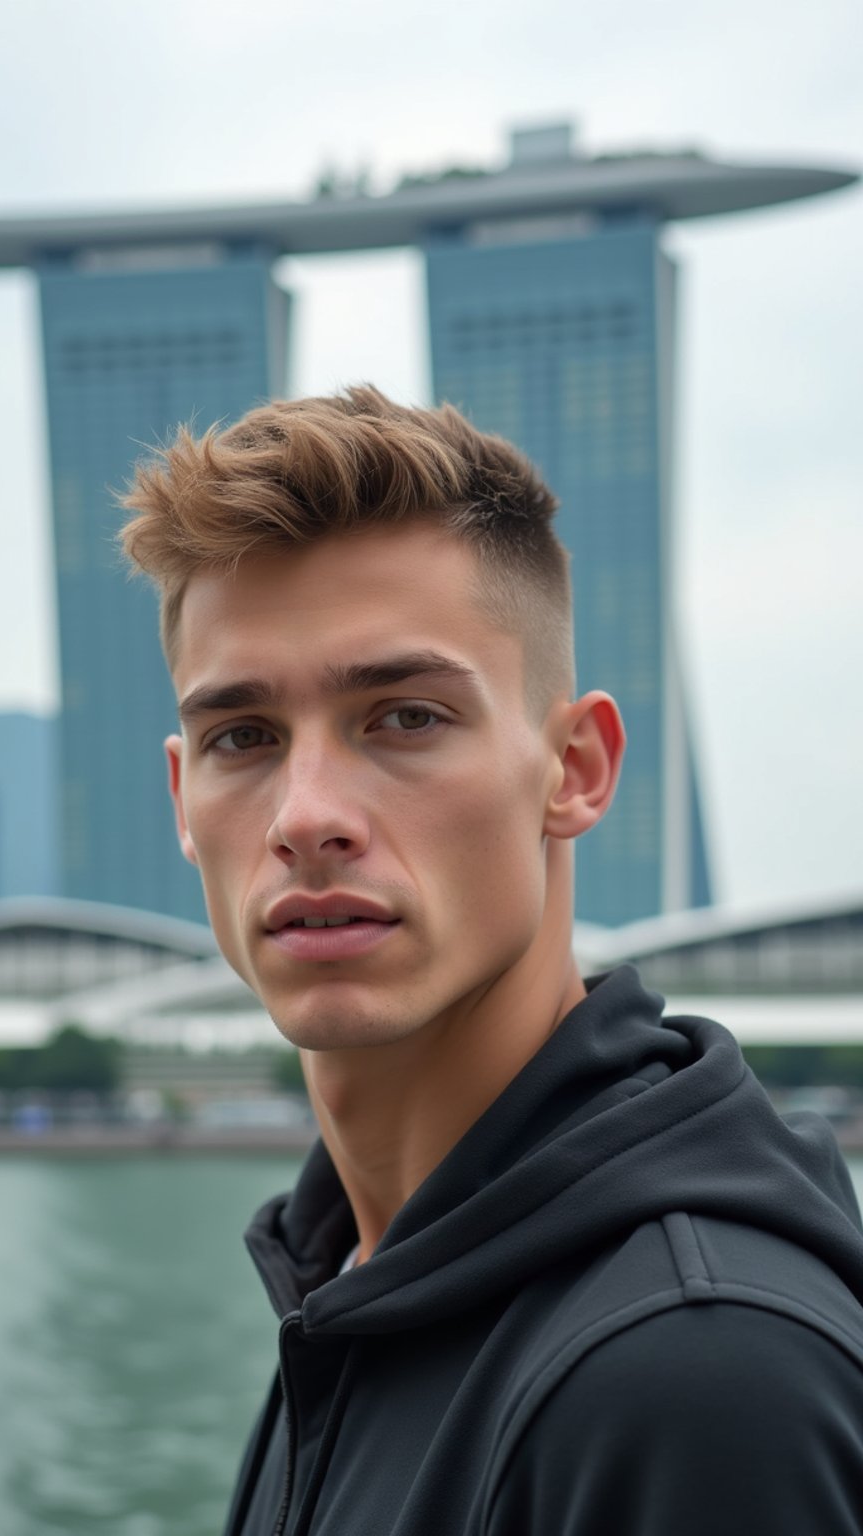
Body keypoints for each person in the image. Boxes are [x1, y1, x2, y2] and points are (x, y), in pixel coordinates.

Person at [121, 386, 863, 1535]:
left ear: (573, 769)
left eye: (405, 717)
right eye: (243, 737)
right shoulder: (353, 1275)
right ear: (182, 798)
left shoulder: (694, 1376)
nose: (306, 816)